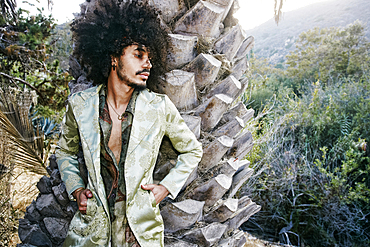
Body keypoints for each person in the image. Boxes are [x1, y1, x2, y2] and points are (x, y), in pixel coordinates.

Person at [55, 1, 203, 246]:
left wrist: (165, 188)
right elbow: (65, 151)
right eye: (139, 55)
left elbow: (192, 149)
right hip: (92, 229)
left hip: (139, 232)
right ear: (114, 57)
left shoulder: (159, 107)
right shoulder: (81, 105)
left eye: (150, 58)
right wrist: (76, 189)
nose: (148, 64)